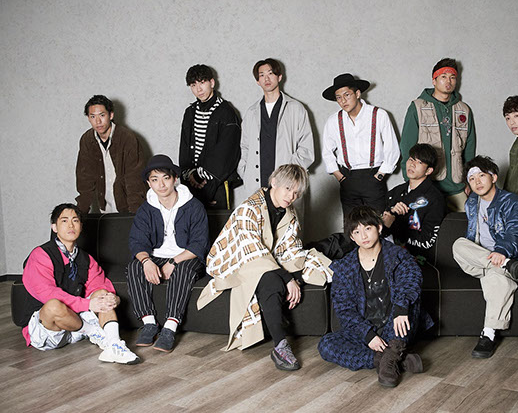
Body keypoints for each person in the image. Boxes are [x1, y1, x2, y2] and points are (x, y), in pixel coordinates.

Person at [197, 164, 332, 371]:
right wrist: (287, 279)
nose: (291, 196)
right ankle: (280, 346)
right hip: (235, 260)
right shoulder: (249, 208)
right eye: (288, 189)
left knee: (308, 266)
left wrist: (294, 277)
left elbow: (291, 248)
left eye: (296, 192)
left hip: (266, 258)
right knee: (272, 281)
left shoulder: (289, 212)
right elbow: (251, 250)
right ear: (274, 183)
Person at [318, 206, 431, 387]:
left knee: (408, 302)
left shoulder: (397, 255)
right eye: (357, 232)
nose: (363, 236)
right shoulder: (344, 267)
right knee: (326, 345)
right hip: (367, 330)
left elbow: (411, 278)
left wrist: (401, 308)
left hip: (396, 325)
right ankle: (388, 358)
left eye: (368, 228)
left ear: (379, 227)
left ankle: (392, 354)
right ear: (352, 237)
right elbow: (344, 308)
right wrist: (368, 335)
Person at [452, 156, 518, 358]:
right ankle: (504, 265)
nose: (477, 181)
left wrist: (503, 251)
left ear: (494, 177)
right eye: (472, 179)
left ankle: (488, 334)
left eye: (482, 175)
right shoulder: (472, 203)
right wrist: (496, 259)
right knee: (458, 245)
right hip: (496, 261)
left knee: (496, 277)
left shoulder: (513, 202)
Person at [19, 203, 138, 364]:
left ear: (81, 227)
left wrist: (112, 298)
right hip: (48, 329)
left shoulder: (86, 259)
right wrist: (88, 304)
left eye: (75, 221)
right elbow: (47, 293)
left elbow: (100, 285)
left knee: (103, 295)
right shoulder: (40, 255)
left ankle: (114, 345)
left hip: (76, 326)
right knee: (53, 304)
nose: (71, 225)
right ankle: (94, 332)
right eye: (64, 221)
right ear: (54, 227)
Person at [127, 155, 209, 353]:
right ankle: (149, 323)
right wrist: (146, 261)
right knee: (134, 266)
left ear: (175, 179)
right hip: (156, 255)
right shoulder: (146, 209)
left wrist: (173, 261)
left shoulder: (194, 206)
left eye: (165, 178)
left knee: (183, 271)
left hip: (186, 255)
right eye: (155, 180)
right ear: (149, 183)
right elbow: (137, 241)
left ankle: (170, 328)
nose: (161, 185)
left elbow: (199, 244)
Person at [399, 58, 475, 212]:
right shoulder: (417, 107)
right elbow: (407, 147)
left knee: (463, 224)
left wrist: (470, 179)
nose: (448, 81)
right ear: (434, 81)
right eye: (443, 77)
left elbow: (469, 149)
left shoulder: (464, 110)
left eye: (452, 77)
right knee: (425, 225)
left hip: (456, 187)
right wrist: (410, 181)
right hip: (427, 186)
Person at [322, 73, 400, 217]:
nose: (343, 101)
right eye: (338, 97)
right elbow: (327, 152)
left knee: (378, 223)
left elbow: (392, 147)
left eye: (347, 95)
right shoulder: (333, 121)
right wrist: (340, 177)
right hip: (347, 178)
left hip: (373, 177)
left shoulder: (379, 115)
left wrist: (380, 176)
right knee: (351, 224)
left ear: (357, 94)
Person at [238, 58, 314, 197]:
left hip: (286, 184)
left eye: (270, 73)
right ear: (257, 81)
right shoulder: (251, 112)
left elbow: (306, 148)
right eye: (262, 75)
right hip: (256, 184)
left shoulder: (296, 108)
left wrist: (289, 172)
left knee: (287, 211)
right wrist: (245, 171)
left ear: (279, 77)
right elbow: (245, 146)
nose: (266, 78)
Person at [179, 64, 241, 209]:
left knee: (219, 222)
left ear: (212, 83)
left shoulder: (226, 112)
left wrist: (201, 175)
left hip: (217, 182)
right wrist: (189, 174)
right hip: (191, 184)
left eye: (202, 82)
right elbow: (184, 148)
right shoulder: (190, 112)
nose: (198, 89)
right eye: (193, 85)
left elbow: (228, 151)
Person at [76, 95, 146, 214]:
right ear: (88, 118)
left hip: (128, 205)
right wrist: (80, 215)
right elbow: (84, 179)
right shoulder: (87, 140)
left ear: (111, 115)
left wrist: (134, 215)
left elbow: (134, 180)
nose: (98, 121)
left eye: (102, 115)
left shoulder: (127, 138)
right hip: (104, 205)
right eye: (93, 116)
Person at [382, 143, 446, 261]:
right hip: (386, 251)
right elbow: (380, 229)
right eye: (411, 159)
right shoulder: (396, 192)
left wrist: (394, 224)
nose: (412, 164)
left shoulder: (435, 198)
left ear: (428, 170)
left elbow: (426, 241)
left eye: (419, 162)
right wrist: (390, 213)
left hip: (415, 258)